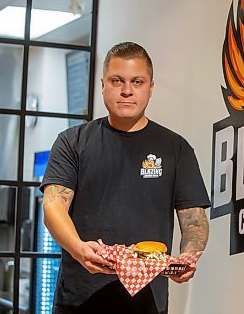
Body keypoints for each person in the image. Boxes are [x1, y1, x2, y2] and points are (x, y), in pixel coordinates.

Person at [40, 42, 210, 314]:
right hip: (79, 298)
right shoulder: (72, 142)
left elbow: (194, 219)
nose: (127, 90)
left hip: (147, 301)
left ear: (150, 87)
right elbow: (52, 207)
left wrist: (188, 256)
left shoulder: (176, 148)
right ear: (103, 84)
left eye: (137, 81)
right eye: (117, 80)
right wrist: (78, 249)